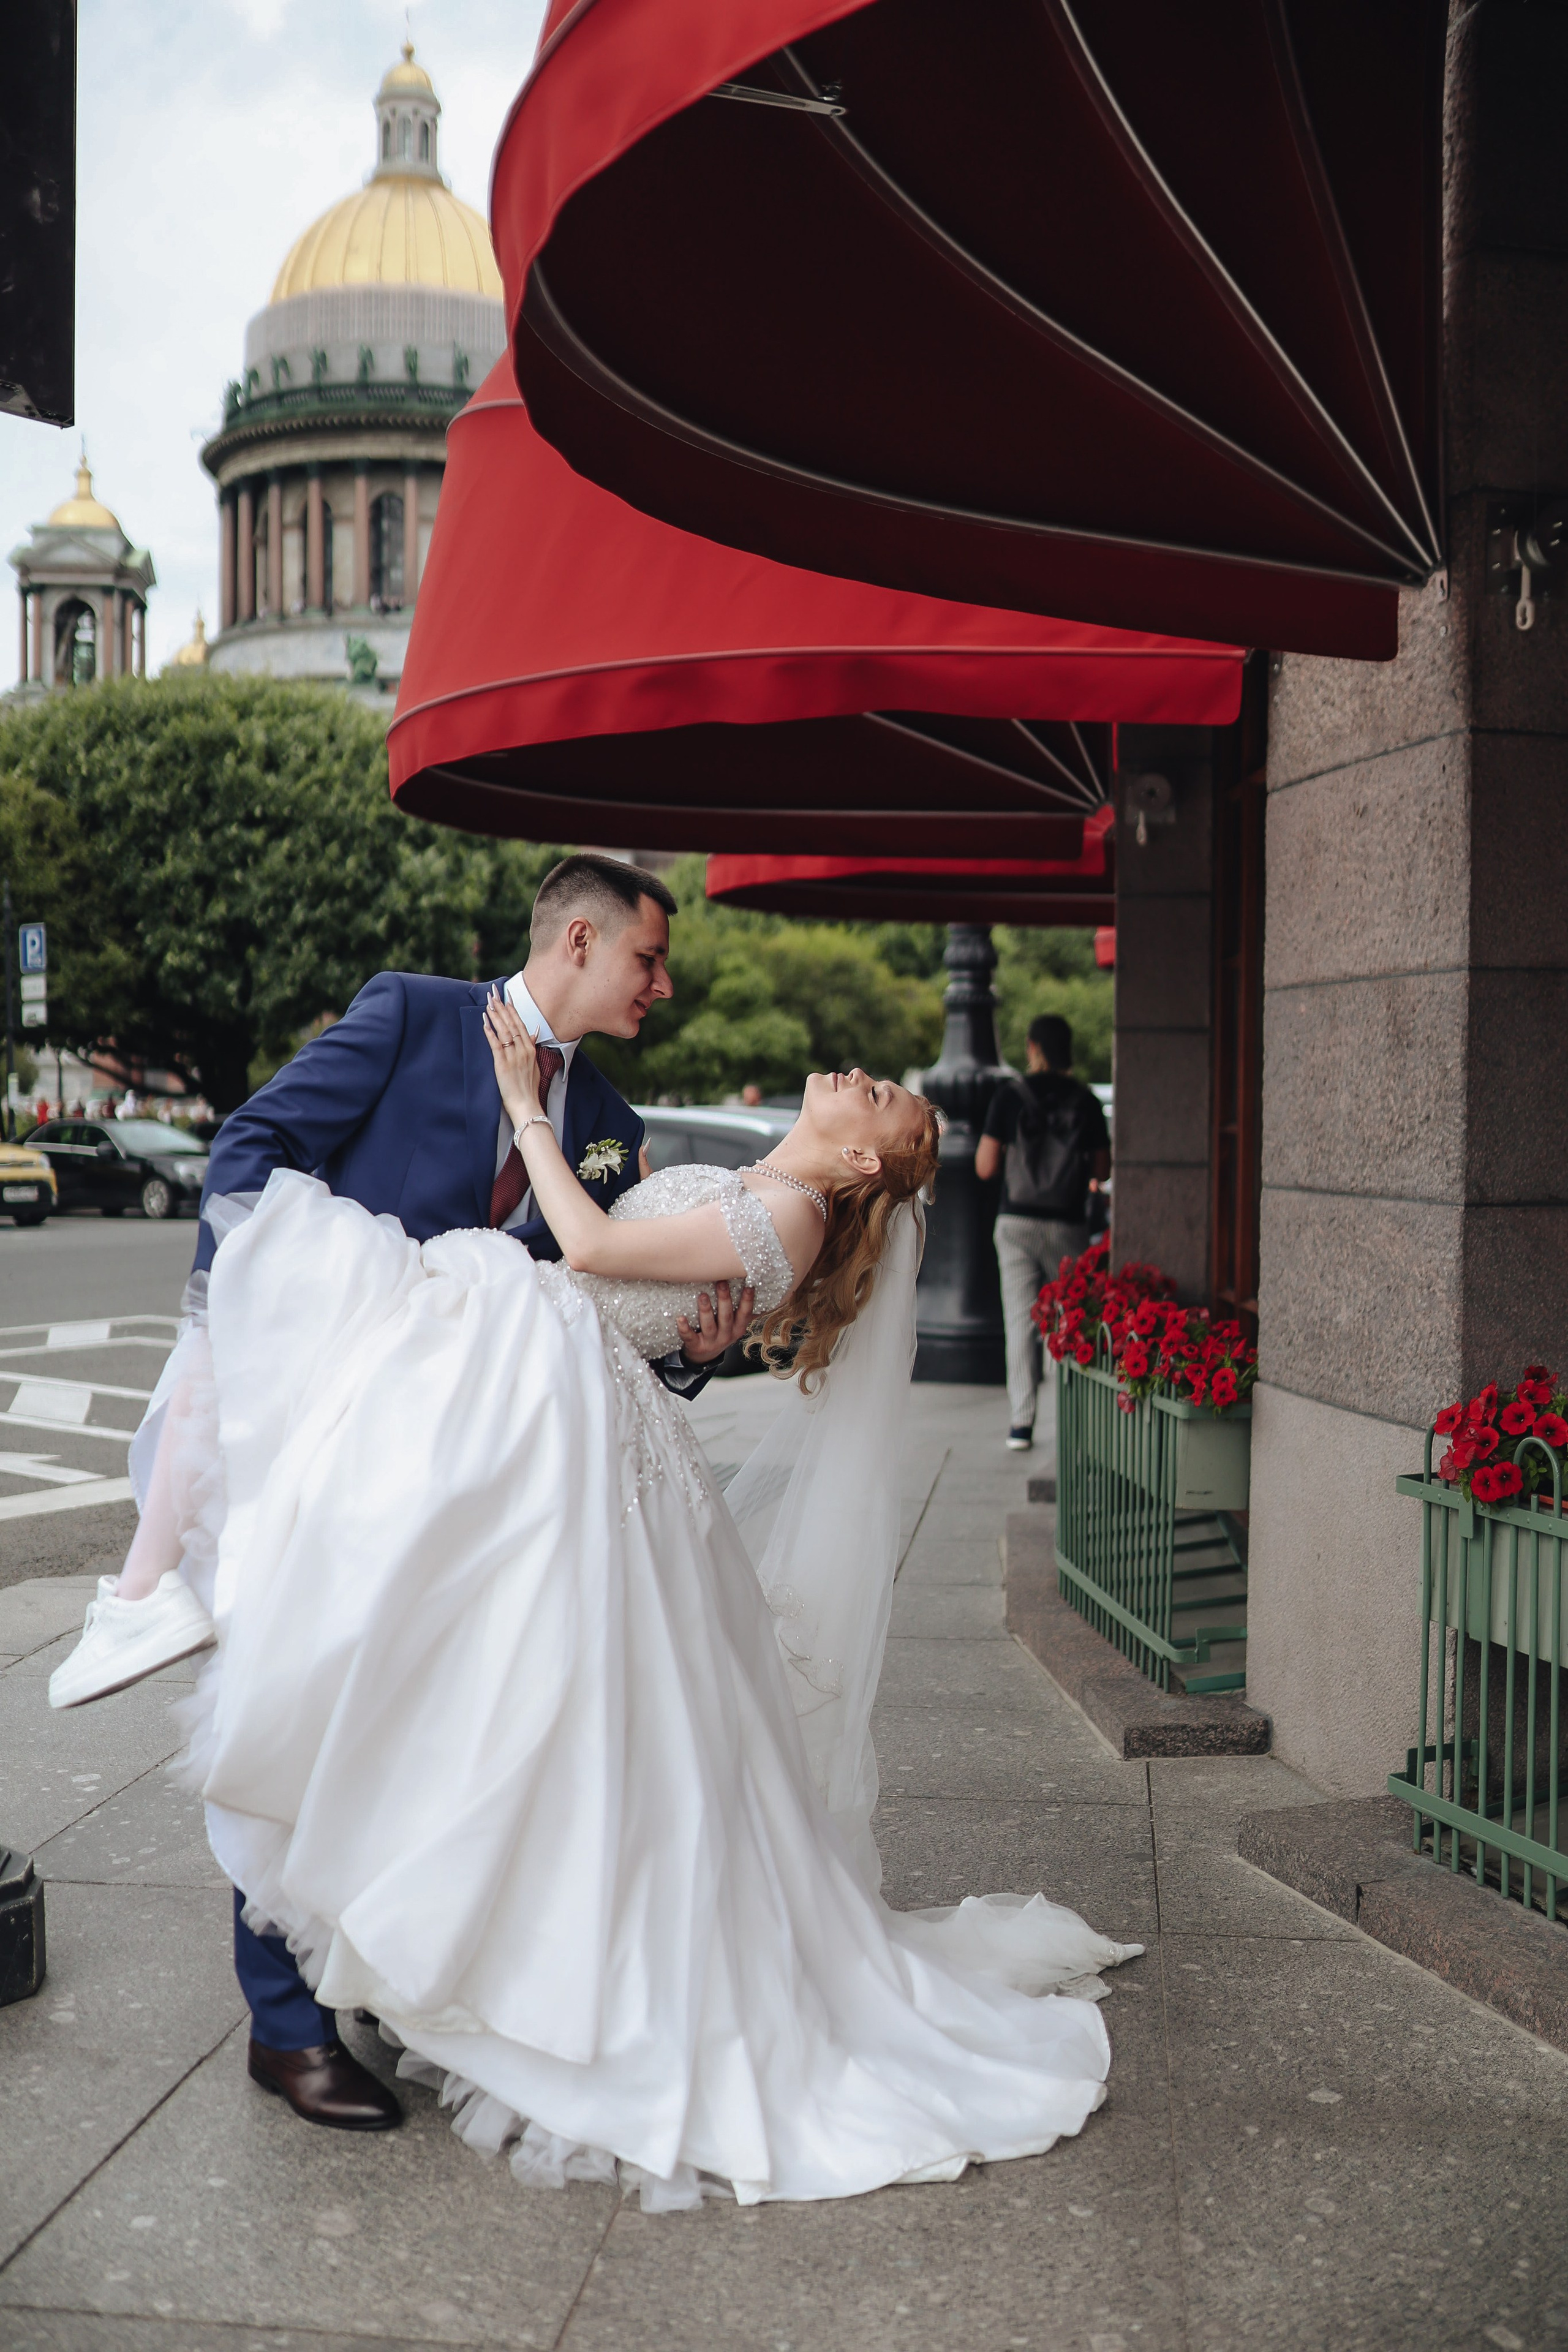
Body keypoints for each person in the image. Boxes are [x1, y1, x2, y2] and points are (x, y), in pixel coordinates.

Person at [47, 997, 1140, 2203]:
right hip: (543, 1414)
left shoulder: (760, 1190)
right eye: (649, 960)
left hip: (566, 1429)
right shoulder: (451, 1034)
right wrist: (695, 1336)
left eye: (879, 1093)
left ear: (869, 1158)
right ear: (583, 942)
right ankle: (316, 1971)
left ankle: (483, 1970)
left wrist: (530, 1119)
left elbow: (597, 1256)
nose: (857, 1072)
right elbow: (660, 1302)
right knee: (444, 1681)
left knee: (506, 1714)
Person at [47, 856, 750, 2122]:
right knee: (296, 1704)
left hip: (471, 1485)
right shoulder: (410, 1014)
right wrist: (265, 1330)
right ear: (579, 941)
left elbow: (605, 1314)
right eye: (648, 958)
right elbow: (252, 1151)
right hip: (326, 1436)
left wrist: (695, 1359)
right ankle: (285, 2025)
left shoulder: (614, 1128)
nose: (663, 983)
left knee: (419, 1728)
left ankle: (376, 1973)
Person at [976, 1015, 1110, 1452]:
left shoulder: (1009, 1096)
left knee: (1020, 1319)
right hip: (1068, 1224)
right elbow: (1103, 1169)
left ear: (1034, 1047)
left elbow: (986, 1166)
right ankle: (1067, 1423)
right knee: (1068, 1320)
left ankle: (1021, 1423)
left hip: (1016, 1221)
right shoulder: (1086, 1101)